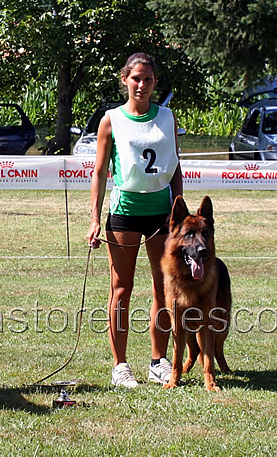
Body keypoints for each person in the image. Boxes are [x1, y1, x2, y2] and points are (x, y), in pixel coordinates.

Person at [86, 52, 183, 388]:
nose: (142, 85)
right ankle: (120, 366)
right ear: (125, 79)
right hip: (125, 213)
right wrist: (95, 219)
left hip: (161, 215)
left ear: (155, 83)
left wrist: (178, 215)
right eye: (136, 78)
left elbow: (175, 168)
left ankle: (158, 361)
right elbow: (99, 171)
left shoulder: (167, 118)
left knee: (164, 288)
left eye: (148, 79)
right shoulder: (111, 119)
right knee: (122, 289)